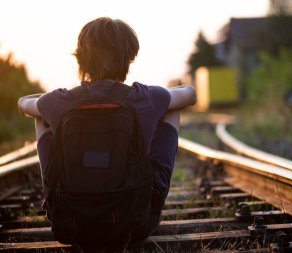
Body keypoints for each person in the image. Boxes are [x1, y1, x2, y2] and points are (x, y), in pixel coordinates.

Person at [18, 17, 196, 243]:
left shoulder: (60, 100)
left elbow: (23, 104)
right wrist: (158, 99)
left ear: (80, 59)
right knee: (172, 107)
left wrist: (47, 101)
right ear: (129, 58)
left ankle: (56, 201)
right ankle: (150, 198)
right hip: (134, 225)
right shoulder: (145, 97)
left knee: (40, 115)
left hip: (72, 225)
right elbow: (189, 94)